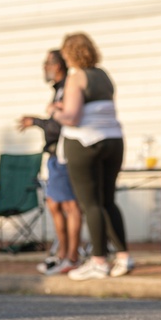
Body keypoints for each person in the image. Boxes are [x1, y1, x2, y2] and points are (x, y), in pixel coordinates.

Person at [51, 33, 133, 281]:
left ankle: (98, 261)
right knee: (108, 200)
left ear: (70, 54)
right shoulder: (104, 76)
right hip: (114, 141)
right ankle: (123, 256)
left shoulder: (76, 78)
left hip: (85, 142)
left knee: (91, 204)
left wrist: (55, 112)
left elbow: (72, 117)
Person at [18, 49, 82, 276]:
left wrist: (36, 120)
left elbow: (60, 123)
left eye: (47, 64)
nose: (44, 68)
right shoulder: (58, 90)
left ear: (57, 66)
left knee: (70, 205)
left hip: (65, 153)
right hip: (55, 155)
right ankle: (62, 254)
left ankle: (73, 257)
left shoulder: (67, 88)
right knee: (55, 204)